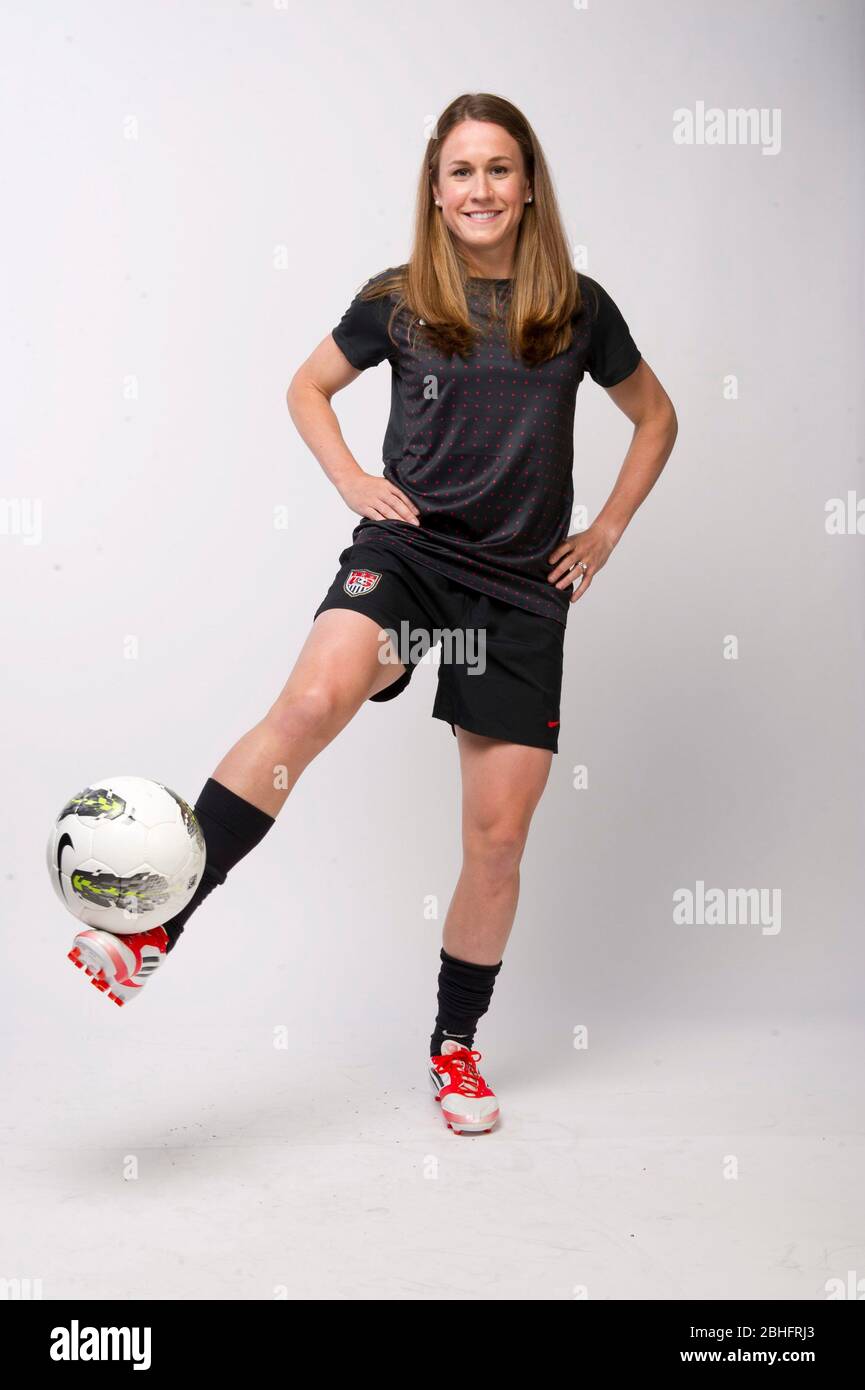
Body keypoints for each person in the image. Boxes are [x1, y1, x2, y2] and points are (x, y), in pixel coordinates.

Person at [67, 92, 677, 1136]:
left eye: (497, 169)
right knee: (313, 695)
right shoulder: (397, 300)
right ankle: (156, 924)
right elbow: (308, 387)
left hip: (519, 587)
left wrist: (607, 528)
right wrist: (351, 476)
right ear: (434, 195)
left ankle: (454, 1046)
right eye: (459, 172)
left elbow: (656, 416)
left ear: (527, 186)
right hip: (408, 558)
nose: (478, 188)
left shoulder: (579, 307)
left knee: (496, 839)